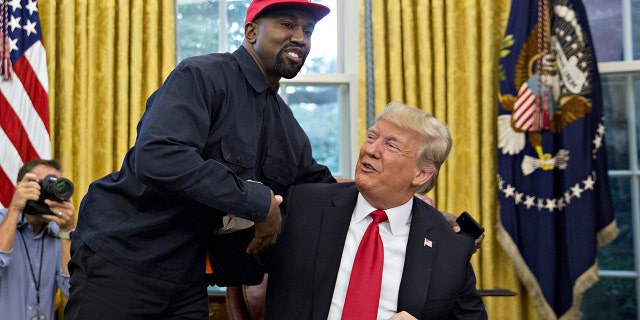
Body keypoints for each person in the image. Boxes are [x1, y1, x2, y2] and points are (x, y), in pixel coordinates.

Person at [64, 1, 336, 319]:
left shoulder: (284, 122)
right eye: (287, 25)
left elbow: (317, 189)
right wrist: (258, 202)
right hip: (124, 259)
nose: (301, 37)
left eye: (308, 30)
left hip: (188, 275)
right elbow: (158, 155)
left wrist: (384, 195)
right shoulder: (202, 75)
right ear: (251, 31)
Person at [213, 102, 488, 319]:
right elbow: (237, 270)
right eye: (372, 137)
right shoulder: (304, 205)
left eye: (391, 145)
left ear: (421, 175)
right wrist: (237, 217)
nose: (371, 149)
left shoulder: (450, 246)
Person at [0, 159, 76, 320]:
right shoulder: (2, 222)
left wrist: (67, 231)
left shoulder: (59, 234)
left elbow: (72, 289)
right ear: (21, 186)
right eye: (41, 185)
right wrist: (15, 209)